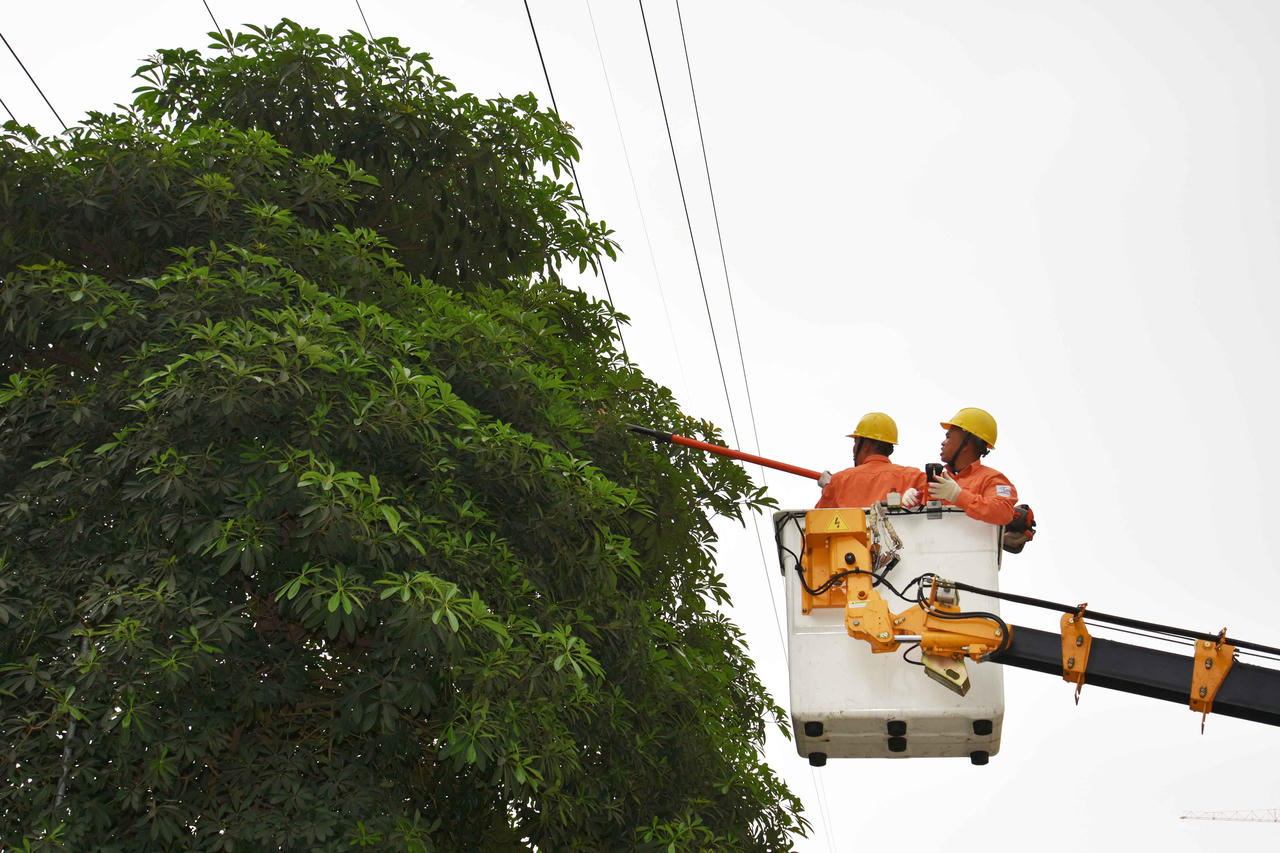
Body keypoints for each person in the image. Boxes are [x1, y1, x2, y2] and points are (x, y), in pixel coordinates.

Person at [903, 407, 1017, 525]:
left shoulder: (993, 479)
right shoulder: (938, 478)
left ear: (966, 444)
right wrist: (913, 502)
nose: (943, 443)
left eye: (948, 437)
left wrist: (958, 496)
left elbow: (1003, 512)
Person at [816, 413, 926, 508]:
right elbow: (939, 501)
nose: (853, 449)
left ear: (866, 446)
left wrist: (830, 488)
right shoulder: (914, 477)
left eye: (856, 442)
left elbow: (815, 523)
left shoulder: (839, 481)